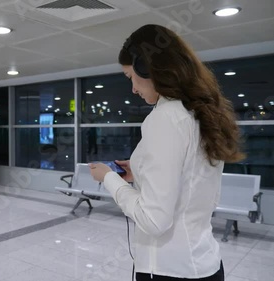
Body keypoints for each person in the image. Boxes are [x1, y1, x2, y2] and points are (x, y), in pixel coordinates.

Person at [89, 24, 244, 281]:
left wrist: (109, 178)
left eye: (130, 78)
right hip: (205, 264)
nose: (133, 89)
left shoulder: (165, 118)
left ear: (147, 68)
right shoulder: (199, 113)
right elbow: (190, 180)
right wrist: (138, 170)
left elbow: (153, 220)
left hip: (168, 270)